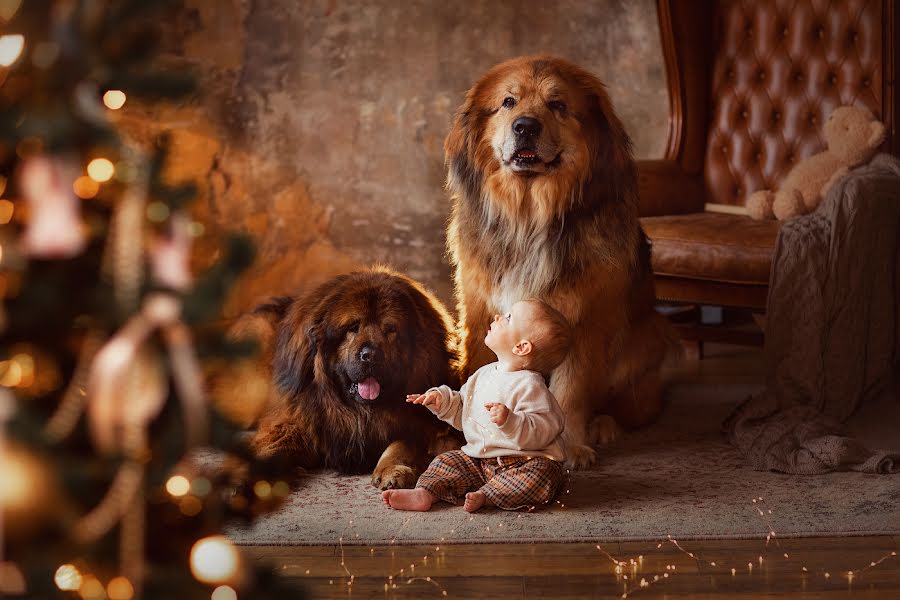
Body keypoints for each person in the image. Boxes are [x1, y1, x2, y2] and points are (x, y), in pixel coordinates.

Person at [382, 298, 572, 512]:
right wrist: (443, 402)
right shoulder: (484, 375)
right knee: (447, 461)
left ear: (521, 347)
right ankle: (426, 492)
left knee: (542, 477)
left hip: (524, 463)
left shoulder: (531, 386)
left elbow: (546, 427)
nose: (499, 317)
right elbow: (465, 411)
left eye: (509, 318)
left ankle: (489, 495)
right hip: (480, 460)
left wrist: (512, 421)